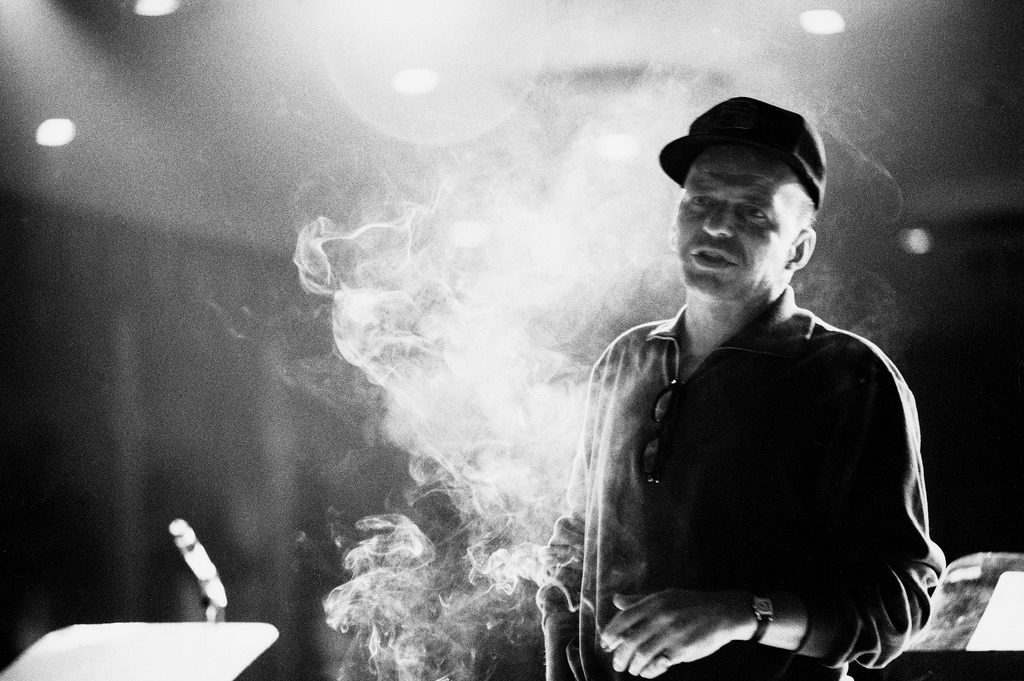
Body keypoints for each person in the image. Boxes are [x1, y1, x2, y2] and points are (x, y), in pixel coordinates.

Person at [537, 97, 945, 681]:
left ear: (799, 248)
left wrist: (738, 613)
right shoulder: (627, 359)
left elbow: (897, 601)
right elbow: (574, 545)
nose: (716, 225)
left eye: (753, 214)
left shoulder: (850, 377)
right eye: (700, 202)